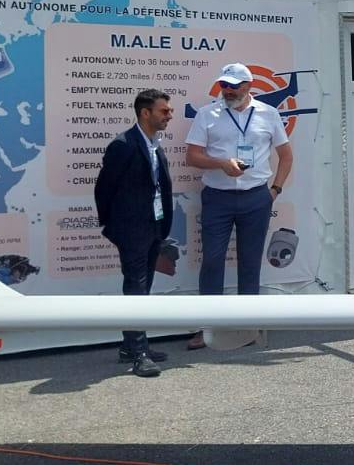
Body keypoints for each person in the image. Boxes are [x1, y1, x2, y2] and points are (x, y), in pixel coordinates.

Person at [184, 63, 293, 347]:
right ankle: (207, 327)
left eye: (234, 85)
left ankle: (248, 327)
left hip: (256, 197)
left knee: (249, 263)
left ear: (249, 85)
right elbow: (192, 157)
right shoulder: (207, 114)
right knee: (212, 260)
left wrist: (274, 190)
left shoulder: (269, 114)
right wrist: (220, 163)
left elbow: (286, 156)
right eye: (224, 85)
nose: (228, 91)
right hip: (217, 197)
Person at [93, 89, 175, 378]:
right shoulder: (123, 145)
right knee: (136, 288)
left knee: (143, 287)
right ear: (145, 113)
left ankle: (132, 345)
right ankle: (138, 352)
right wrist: (113, 227)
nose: (169, 115)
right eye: (164, 111)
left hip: (153, 226)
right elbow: (104, 190)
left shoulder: (155, 144)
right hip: (131, 230)